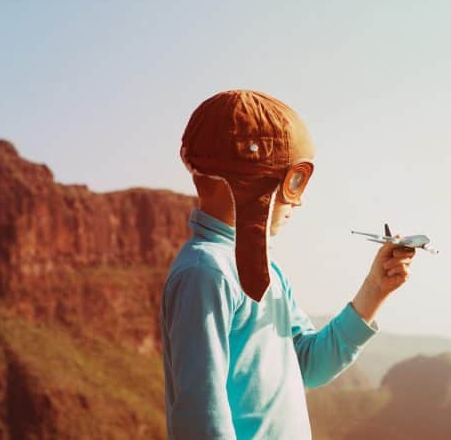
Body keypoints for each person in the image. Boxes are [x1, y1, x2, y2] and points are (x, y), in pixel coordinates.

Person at [160, 90, 415, 439]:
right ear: (251, 182)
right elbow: (201, 413)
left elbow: (307, 366)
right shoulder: (205, 273)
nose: (300, 200)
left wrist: (375, 289)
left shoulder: (265, 270)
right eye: (294, 180)